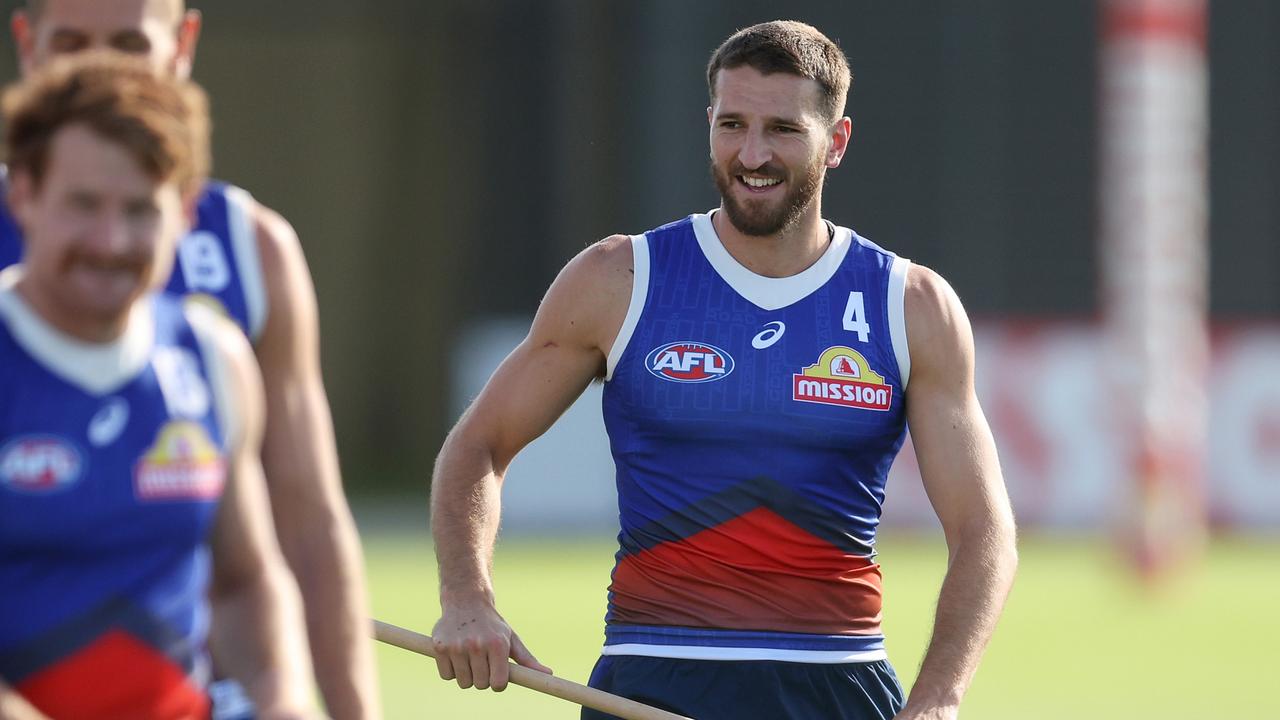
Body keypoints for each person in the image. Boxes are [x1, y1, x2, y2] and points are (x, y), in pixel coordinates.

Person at [429, 20, 1018, 720]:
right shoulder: (619, 279)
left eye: (782, 130)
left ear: (836, 143)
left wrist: (938, 701)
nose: (753, 153)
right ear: (708, 122)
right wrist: (467, 599)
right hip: (649, 683)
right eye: (732, 124)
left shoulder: (909, 305)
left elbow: (984, 531)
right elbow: (477, 446)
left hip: (836, 689)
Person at [2, 3, 380, 718]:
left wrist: (302, 705)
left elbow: (291, 539)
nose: (111, 240)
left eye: (126, 44)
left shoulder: (218, 334)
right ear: (27, 195)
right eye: (82, 205)